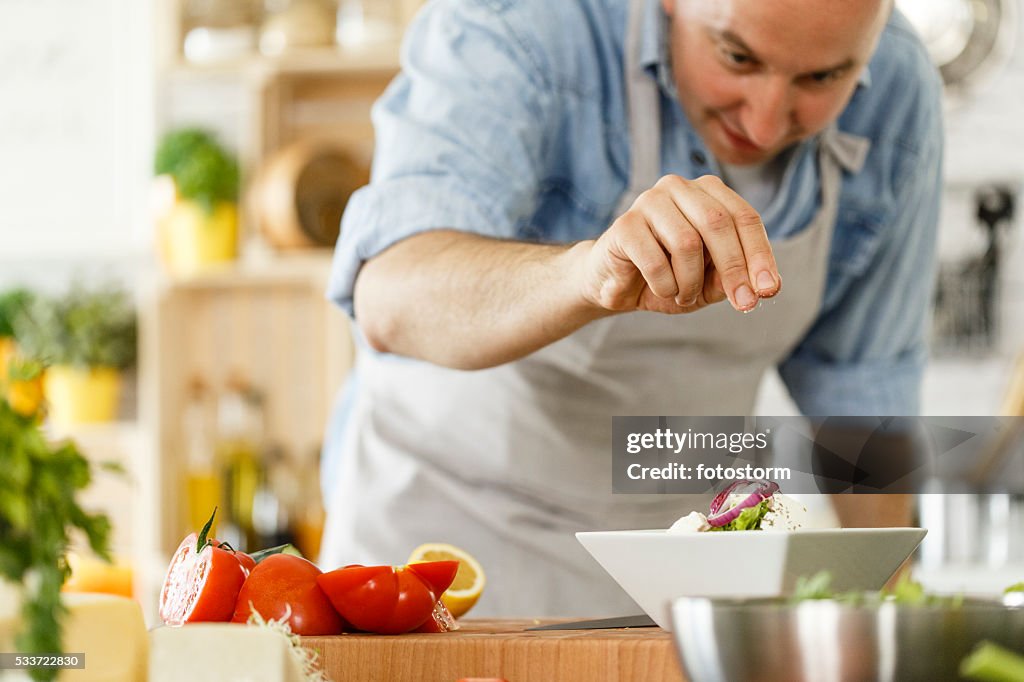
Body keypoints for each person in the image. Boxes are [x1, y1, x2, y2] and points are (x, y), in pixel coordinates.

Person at [319, 0, 943, 617]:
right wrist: (585, 276)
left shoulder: (897, 84)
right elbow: (392, 295)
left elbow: (865, 388)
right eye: (736, 56)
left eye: (822, 78)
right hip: (444, 549)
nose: (764, 122)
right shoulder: (518, 25)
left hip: (677, 574)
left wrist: (891, 613)